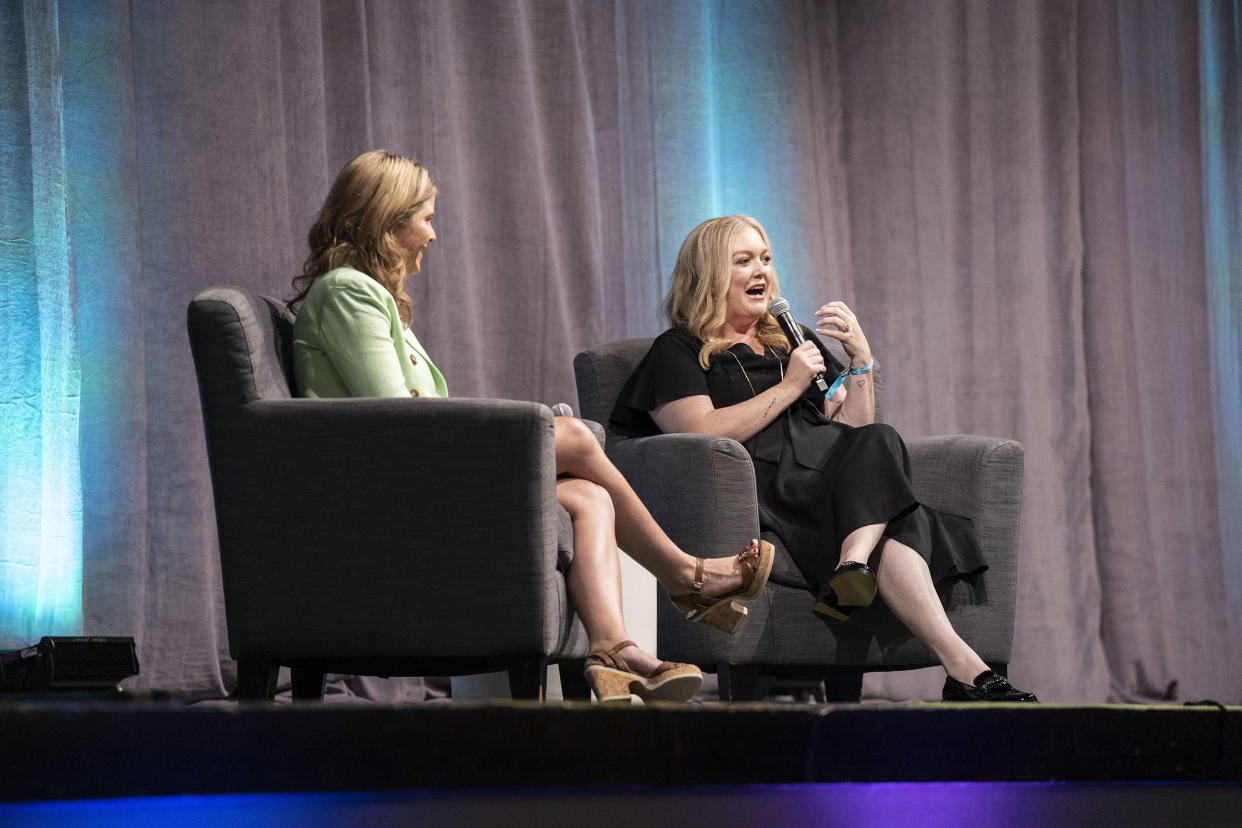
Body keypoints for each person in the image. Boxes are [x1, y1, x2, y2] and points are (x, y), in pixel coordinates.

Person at [288, 151, 773, 705]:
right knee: (576, 438)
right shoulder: (348, 290)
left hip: (415, 468)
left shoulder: (369, 296)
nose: (433, 234)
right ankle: (685, 573)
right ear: (386, 220)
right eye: (424, 217)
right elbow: (399, 418)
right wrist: (526, 433)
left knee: (590, 496)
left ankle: (614, 648)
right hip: (390, 485)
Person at [609, 214, 1037, 703]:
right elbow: (698, 432)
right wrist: (792, 385)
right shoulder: (680, 349)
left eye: (766, 260)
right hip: (766, 481)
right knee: (898, 506)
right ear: (708, 274)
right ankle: (861, 574)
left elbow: (852, 431)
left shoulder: (791, 338)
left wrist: (860, 362)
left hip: (828, 478)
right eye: (743, 261)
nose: (761, 272)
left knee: (881, 452)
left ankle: (957, 660)